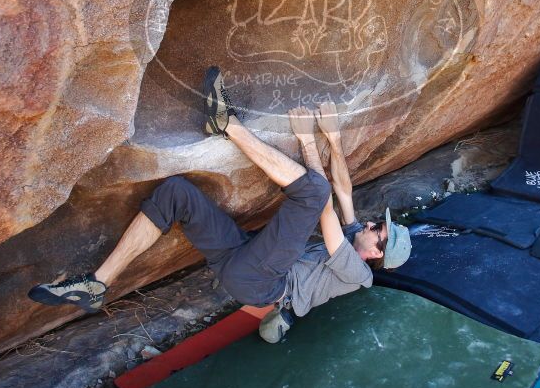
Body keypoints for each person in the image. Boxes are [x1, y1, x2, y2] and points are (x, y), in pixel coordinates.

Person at [28, 67, 411, 343]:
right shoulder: (355, 237)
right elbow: (343, 191)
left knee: (314, 193)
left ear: (375, 254)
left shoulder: (358, 275)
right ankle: (98, 284)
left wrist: (309, 142)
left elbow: (324, 206)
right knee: (175, 193)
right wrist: (335, 137)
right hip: (243, 256)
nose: (371, 224)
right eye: (378, 222)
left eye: (378, 230)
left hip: (262, 281)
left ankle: (226, 123)